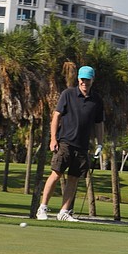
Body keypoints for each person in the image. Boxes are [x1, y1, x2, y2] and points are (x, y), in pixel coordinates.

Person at [36, 66, 105, 222]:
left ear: (92, 80)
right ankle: (42, 208)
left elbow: (99, 123)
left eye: (87, 79)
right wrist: (53, 139)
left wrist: (100, 144)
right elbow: (56, 116)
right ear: (78, 79)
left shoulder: (97, 100)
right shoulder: (68, 94)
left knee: (74, 178)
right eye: (82, 79)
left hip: (83, 145)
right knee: (56, 173)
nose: (84, 82)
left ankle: (64, 211)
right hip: (65, 142)